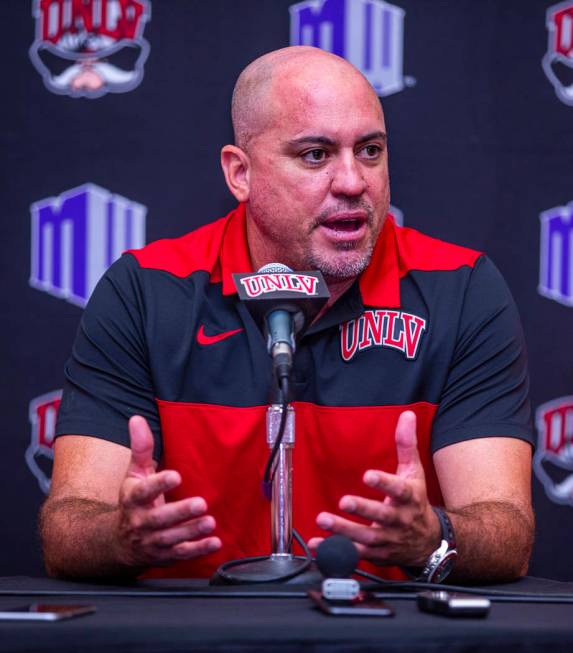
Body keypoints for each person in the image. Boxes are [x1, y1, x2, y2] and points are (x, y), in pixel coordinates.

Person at [41, 46, 534, 582]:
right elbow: (68, 528)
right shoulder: (145, 290)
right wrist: (118, 538)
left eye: (369, 151)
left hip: (384, 635)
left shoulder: (459, 290)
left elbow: (505, 530)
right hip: (195, 634)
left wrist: (432, 535)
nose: (352, 182)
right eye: (315, 155)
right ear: (240, 173)